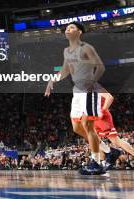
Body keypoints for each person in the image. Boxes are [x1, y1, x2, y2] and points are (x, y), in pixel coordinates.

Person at [44, 22, 107, 176]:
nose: (68, 30)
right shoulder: (66, 51)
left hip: (89, 90)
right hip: (77, 91)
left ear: (79, 32)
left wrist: (92, 81)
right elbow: (65, 70)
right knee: (77, 127)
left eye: (71, 28)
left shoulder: (86, 48)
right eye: (66, 28)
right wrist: (53, 80)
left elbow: (101, 67)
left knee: (87, 125)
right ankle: (107, 149)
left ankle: (96, 162)